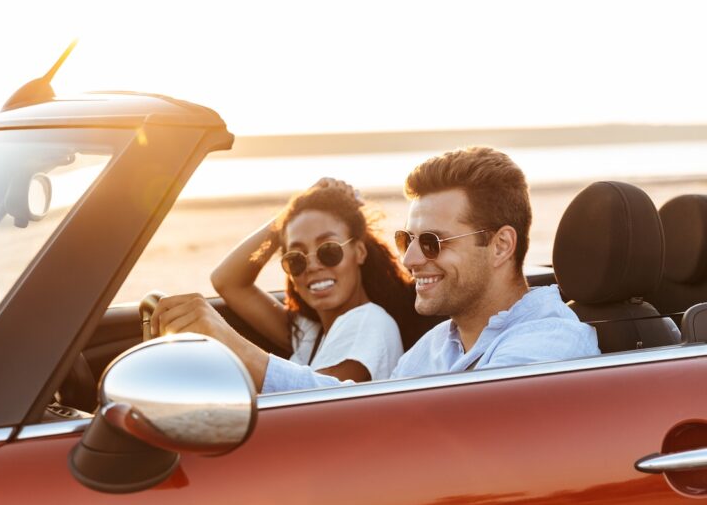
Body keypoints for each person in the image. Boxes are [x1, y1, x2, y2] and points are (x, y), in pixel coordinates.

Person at [251, 146, 600, 391]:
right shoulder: (435, 345)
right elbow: (365, 409)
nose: (410, 259)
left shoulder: (548, 346)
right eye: (407, 240)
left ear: (501, 246)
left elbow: (451, 424)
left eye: (433, 242)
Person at [150, 179, 421, 390]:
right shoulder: (312, 333)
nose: (313, 264)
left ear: (359, 252)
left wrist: (224, 337)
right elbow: (227, 281)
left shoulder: (370, 322)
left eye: (328, 250)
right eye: (296, 258)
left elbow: (319, 400)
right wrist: (291, 214)